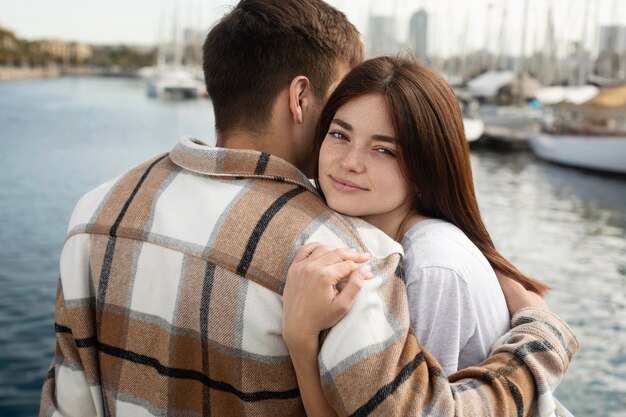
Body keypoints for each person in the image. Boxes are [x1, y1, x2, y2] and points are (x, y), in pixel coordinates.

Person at [39, 1, 578, 416]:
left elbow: (67, 399)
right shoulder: (345, 252)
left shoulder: (95, 211)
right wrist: (543, 333)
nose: (348, 158)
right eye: (339, 125)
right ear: (301, 99)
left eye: (383, 146)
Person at [281, 55, 573, 416]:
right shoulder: (378, 238)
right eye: (340, 134)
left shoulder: (431, 267)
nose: (350, 162)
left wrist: (300, 338)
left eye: (383, 149)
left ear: (425, 166)